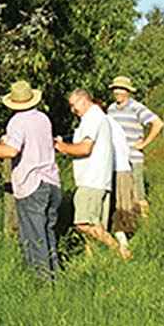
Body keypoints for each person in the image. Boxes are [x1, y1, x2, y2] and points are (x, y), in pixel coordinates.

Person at [0, 80, 62, 280]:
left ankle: (42, 282)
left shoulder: (17, 121)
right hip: (52, 181)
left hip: (32, 185)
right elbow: (30, 144)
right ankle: (55, 275)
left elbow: (11, 150)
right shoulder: (43, 118)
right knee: (47, 232)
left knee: (34, 236)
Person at [54, 89, 131, 260]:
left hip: (92, 180)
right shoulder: (96, 118)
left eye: (74, 105)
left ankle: (119, 250)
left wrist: (61, 147)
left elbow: (84, 148)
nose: (73, 110)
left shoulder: (92, 118)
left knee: (83, 223)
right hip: (99, 180)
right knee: (95, 227)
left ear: (83, 100)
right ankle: (95, 263)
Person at [107, 76, 163, 215]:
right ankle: (126, 219)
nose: (118, 92)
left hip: (133, 157)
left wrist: (144, 143)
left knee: (138, 192)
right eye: (116, 89)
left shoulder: (136, 107)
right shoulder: (111, 109)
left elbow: (157, 123)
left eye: (121, 89)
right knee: (121, 193)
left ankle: (145, 220)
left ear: (128, 91)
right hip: (117, 159)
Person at [104, 109, 138, 253]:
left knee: (119, 206)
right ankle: (121, 237)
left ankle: (122, 244)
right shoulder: (111, 122)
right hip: (122, 167)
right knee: (120, 205)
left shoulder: (104, 123)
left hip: (118, 168)